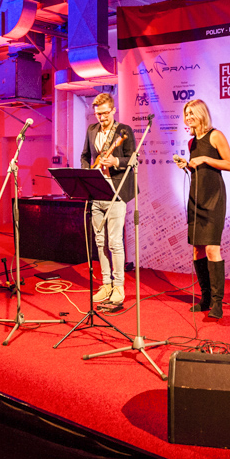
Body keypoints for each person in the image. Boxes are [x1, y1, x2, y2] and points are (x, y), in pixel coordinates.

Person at [175, 99, 230, 319]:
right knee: (197, 250)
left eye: (192, 113)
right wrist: (188, 165)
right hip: (196, 198)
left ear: (201, 114)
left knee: (212, 249)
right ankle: (206, 298)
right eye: (186, 114)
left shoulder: (215, 135)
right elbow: (199, 168)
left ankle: (218, 302)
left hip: (214, 198)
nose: (188, 117)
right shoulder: (192, 142)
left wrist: (205, 159)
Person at [80, 93, 136, 305]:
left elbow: (133, 158)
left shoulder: (124, 130)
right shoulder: (91, 130)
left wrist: (115, 161)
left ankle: (119, 287)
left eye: (105, 113)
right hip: (96, 191)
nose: (101, 117)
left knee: (115, 242)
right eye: (98, 114)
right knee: (100, 241)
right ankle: (106, 284)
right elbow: (85, 156)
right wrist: (88, 173)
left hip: (117, 190)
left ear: (113, 110)